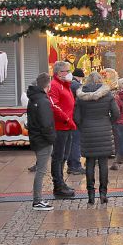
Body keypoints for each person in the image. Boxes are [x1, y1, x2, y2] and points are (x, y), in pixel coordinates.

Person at [75, 72, 119, 204]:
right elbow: (116, 113)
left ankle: (90, 195)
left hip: (88, 130)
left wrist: (83, 126)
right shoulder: (107, 94)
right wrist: (108, 122)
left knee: (89, 162)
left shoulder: (81, 96)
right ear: (100, 80)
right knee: (103, 163)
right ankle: (103, 193)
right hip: (104, 129)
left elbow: (76, 117)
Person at [26, 73, 57, 210]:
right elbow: (46, 123)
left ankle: (38, 199)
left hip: (36, 137)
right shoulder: (43, 101)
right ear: (47, 84)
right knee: (41, 170)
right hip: (43, 140)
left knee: (41, 169)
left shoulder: (33, 98)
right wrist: (51, 138)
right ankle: (37, 200)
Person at [48, 61, 77, 199]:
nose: (69, 73)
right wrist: (66, 119)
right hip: (61, 126)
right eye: (67, 70)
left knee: (64, 155)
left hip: (68, 126)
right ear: (59, 73)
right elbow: (54, 106)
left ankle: (61, 183)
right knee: (58, 156)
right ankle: (58, 185)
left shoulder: (65, 85)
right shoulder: (54, 85)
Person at [66, 68, 86, 176]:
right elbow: (83, 99)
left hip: (70, 117)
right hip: (75, 118)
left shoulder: (69, 84)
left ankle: (71, 165)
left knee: (71, 142)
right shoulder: (76, 85)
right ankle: (75, 166)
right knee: (76, 143)